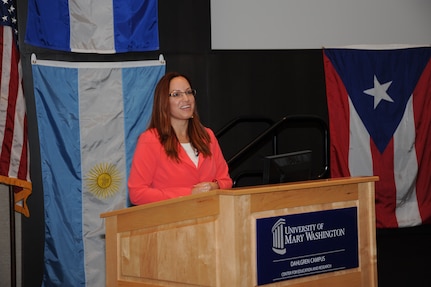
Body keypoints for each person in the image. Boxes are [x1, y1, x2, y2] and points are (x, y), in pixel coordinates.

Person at [128, 72, 233, 205]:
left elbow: (226, 180)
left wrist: (215, 186)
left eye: (189, 92)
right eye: (177, 94)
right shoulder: (150, 140)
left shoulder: (207, 136)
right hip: (169, 221)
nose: (186, 98)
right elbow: (137, 194)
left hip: (210, 218)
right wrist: (189, 193)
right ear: (163, 102)